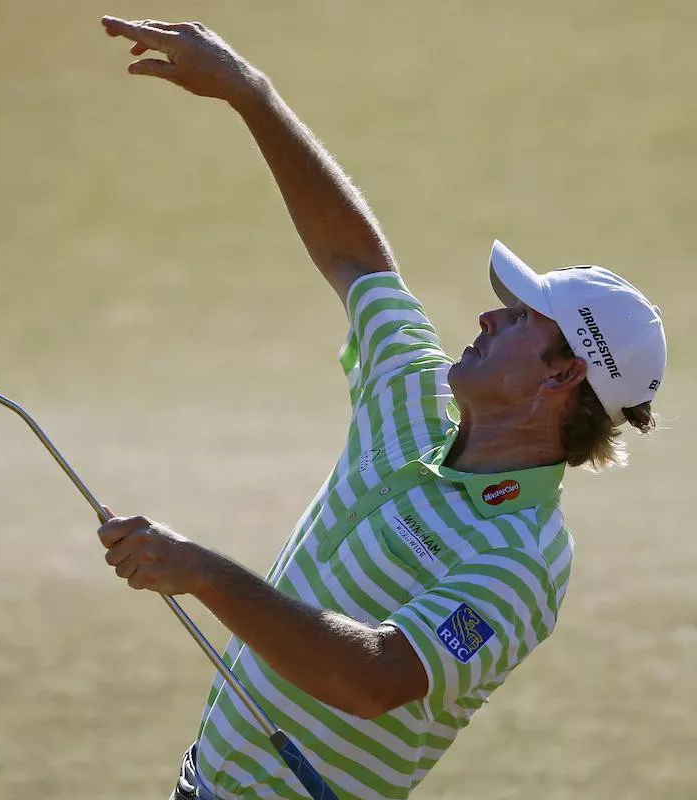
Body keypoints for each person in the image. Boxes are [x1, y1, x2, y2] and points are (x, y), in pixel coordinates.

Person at [97, 15, 667, 800]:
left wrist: (202, 572)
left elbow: (374, 678)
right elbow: (359, 261)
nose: (486, 317)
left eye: (518, 319)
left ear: (560, 377)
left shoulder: (525, 558)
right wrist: (248, 93)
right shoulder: (414, 398)